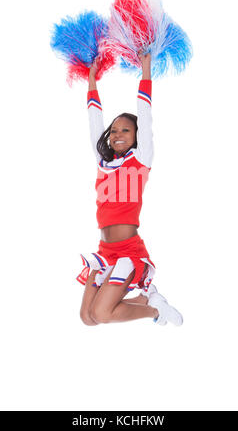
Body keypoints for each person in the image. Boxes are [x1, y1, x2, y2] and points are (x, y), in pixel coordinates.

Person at [77, 53, 183, 327]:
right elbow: (93, 120)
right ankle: (151, 299)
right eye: (113, 130)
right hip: (105, 249)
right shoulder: (103, 162)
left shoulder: (141, 159)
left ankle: (155, 311)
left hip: (127, 251)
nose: (118, 134)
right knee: (88, 318)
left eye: (126, 130)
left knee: (101, 313)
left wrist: (145, 69)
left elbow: (145, 115)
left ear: (136, 136)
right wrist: (91, 79)